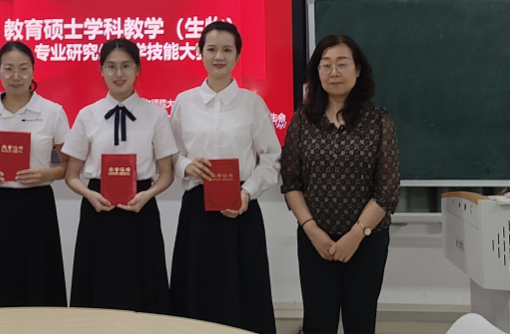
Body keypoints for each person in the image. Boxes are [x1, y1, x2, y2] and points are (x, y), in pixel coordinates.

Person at [280, 34, 400, 334]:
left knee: (360, 323)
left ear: (358, 70)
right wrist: (313, 231)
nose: (334, 72)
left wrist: (356, 235)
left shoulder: (378, 120)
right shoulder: (302, 121)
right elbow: (291, 184)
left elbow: (387, 191)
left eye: (342, 64)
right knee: (318, 323)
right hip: (315, 241)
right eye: (326, 65)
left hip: (367, 241)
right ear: (317, 73)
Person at [169, 21, 281, 334]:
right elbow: (171, 154)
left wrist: (248, 191)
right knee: (197, 288)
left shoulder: (252, 103)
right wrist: (186, 166)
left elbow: (271, 157)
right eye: (212, 49)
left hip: (241, 208)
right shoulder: (184, 102)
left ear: (237, 56)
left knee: (243, 290)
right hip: (197, 209)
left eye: (227, 50)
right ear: (200, 53)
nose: (219, 56)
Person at [63, 38, 176, 312]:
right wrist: (89, 194)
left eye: (126, 66)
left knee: (143, 287)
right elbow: (72, 175)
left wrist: (147, 195)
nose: (118, 73)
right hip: (98, 210)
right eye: (111, 66)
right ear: (101, 70)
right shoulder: (87, 115)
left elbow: (166, 174)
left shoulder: (156, 115)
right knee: (98, 286)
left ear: (137, 69)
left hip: (140, 208)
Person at [0, 41, 70, 307]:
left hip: (37, 204)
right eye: (8, 69)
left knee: (38, 277)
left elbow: (69, 167)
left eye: (23, 69)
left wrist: (46, 175)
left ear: (33, 70)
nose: (16, 76)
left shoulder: (52, 112)